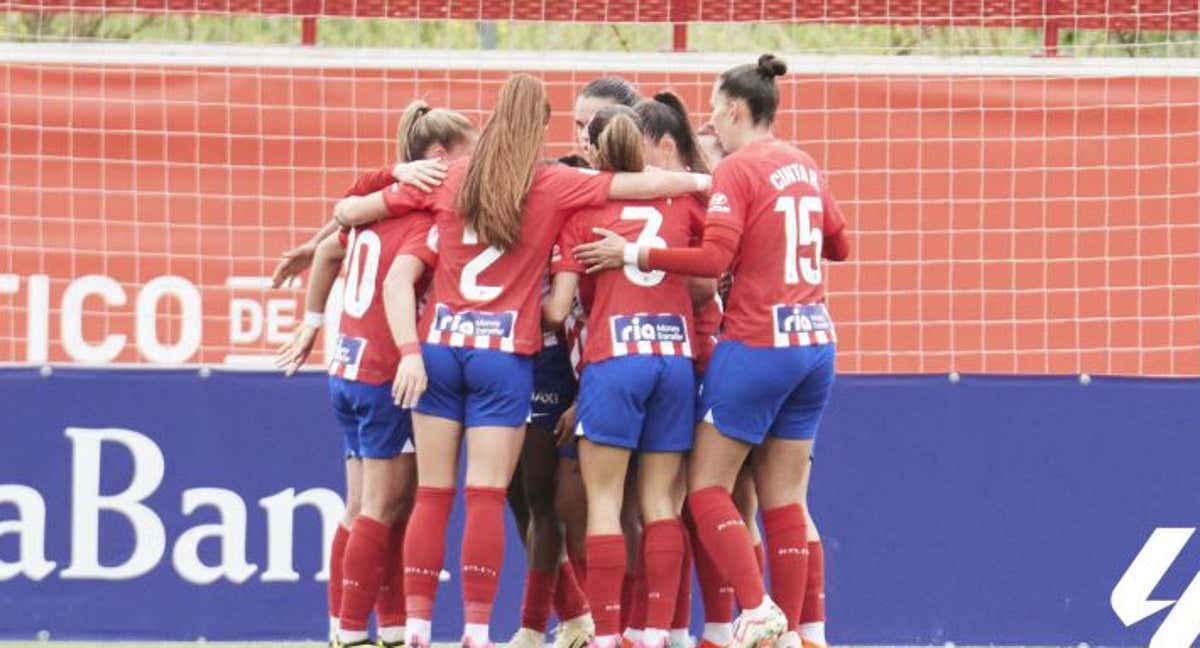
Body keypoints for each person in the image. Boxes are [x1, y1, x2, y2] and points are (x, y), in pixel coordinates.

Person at [332, 74, 710, 648]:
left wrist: (395, 173)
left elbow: (350, 211)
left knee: (434, 495)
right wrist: (706, 179)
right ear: (539, 126)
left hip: (440, 347)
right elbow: (638, 184)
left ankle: (414, 628)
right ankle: (479, 630)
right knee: (487, 494)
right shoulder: (554, 183)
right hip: (505, 355)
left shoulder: (450, 175)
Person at [573, 54, 850, 648]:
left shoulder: (738, 169)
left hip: (756, 342)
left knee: (704, 491)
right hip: (817, 342)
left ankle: (754, 612)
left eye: (714, 110)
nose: (710, 123)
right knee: (785, 501)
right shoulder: (803, 163)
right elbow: (840, 243)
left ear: (733, 109)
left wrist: (634, 256)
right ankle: (805, 634)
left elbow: (712, 263)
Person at [276, 101, 476, 648]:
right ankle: (348, 630)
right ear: (438, 159)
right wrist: (410, 351)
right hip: (386, 372)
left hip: (348, 367)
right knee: (384, 507)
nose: (474, 165)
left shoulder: (371, 212)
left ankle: (380, 627)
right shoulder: (422, 221)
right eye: (469, 153)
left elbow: (325, 256)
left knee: (368, 505)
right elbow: (393, 283)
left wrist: (314, 323)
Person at [542, 96, 709, 648]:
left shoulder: (582, 211)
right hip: (675, 358)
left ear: (595, 153)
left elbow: (561, 307)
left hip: (614, 358)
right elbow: (709, 279)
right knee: (663, 504)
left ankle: (608, 636)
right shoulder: (680, 202)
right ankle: (656, 634)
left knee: (606, 503)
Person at [506, 76, 641, 648]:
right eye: (577, 124)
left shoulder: (630, 203)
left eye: (594, 124)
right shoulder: (558, 183)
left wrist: (587, 394)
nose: (583, 135)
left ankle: (636, 627)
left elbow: (611, 309)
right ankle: (573, 620)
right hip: (545, 362)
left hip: (608, 371)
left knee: (593, 509)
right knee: (524, 495)